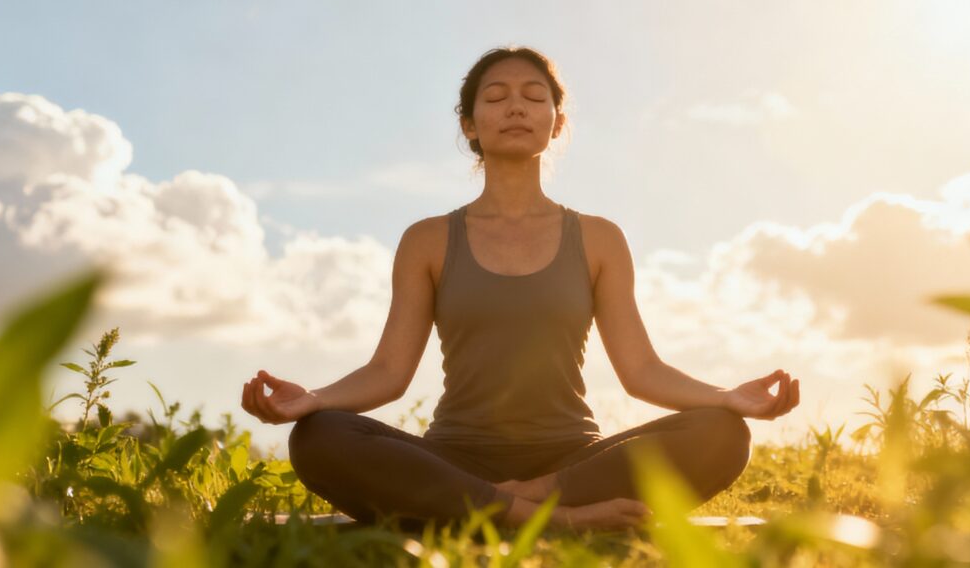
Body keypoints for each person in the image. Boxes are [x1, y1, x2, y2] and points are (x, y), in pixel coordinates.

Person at [240, 46, 800, 533]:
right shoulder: (428, 240)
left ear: (556, 122)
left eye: (535, 96)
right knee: (319, 438)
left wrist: (726, 398)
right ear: (469, 124)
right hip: (454, 459)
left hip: (572, 461)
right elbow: (388, 372)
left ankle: (510, 504)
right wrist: (314, 401)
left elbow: (641, 372)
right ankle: (552, 519)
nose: (516, 107)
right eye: (496, 96)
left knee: (722, 435)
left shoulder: (599, 239)